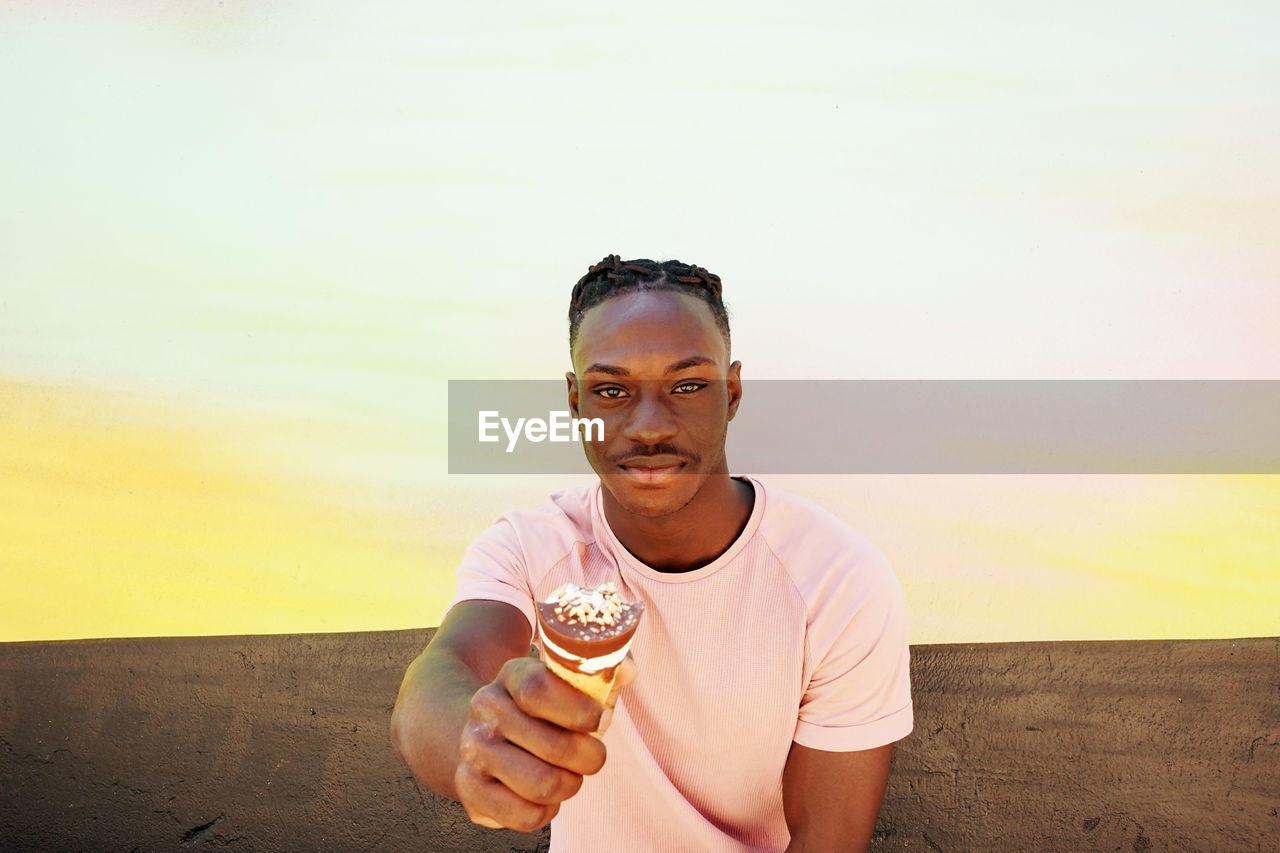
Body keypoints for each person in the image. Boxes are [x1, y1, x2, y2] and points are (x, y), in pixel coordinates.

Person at [391, 255, 913, 853]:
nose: (647, 427)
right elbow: (438, 677)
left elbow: (830, 840)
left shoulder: (837, 579)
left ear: (732, 391)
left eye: (687, 385)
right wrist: (475, 739)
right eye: (611, 390)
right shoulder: (532, 546)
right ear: (574, 402)